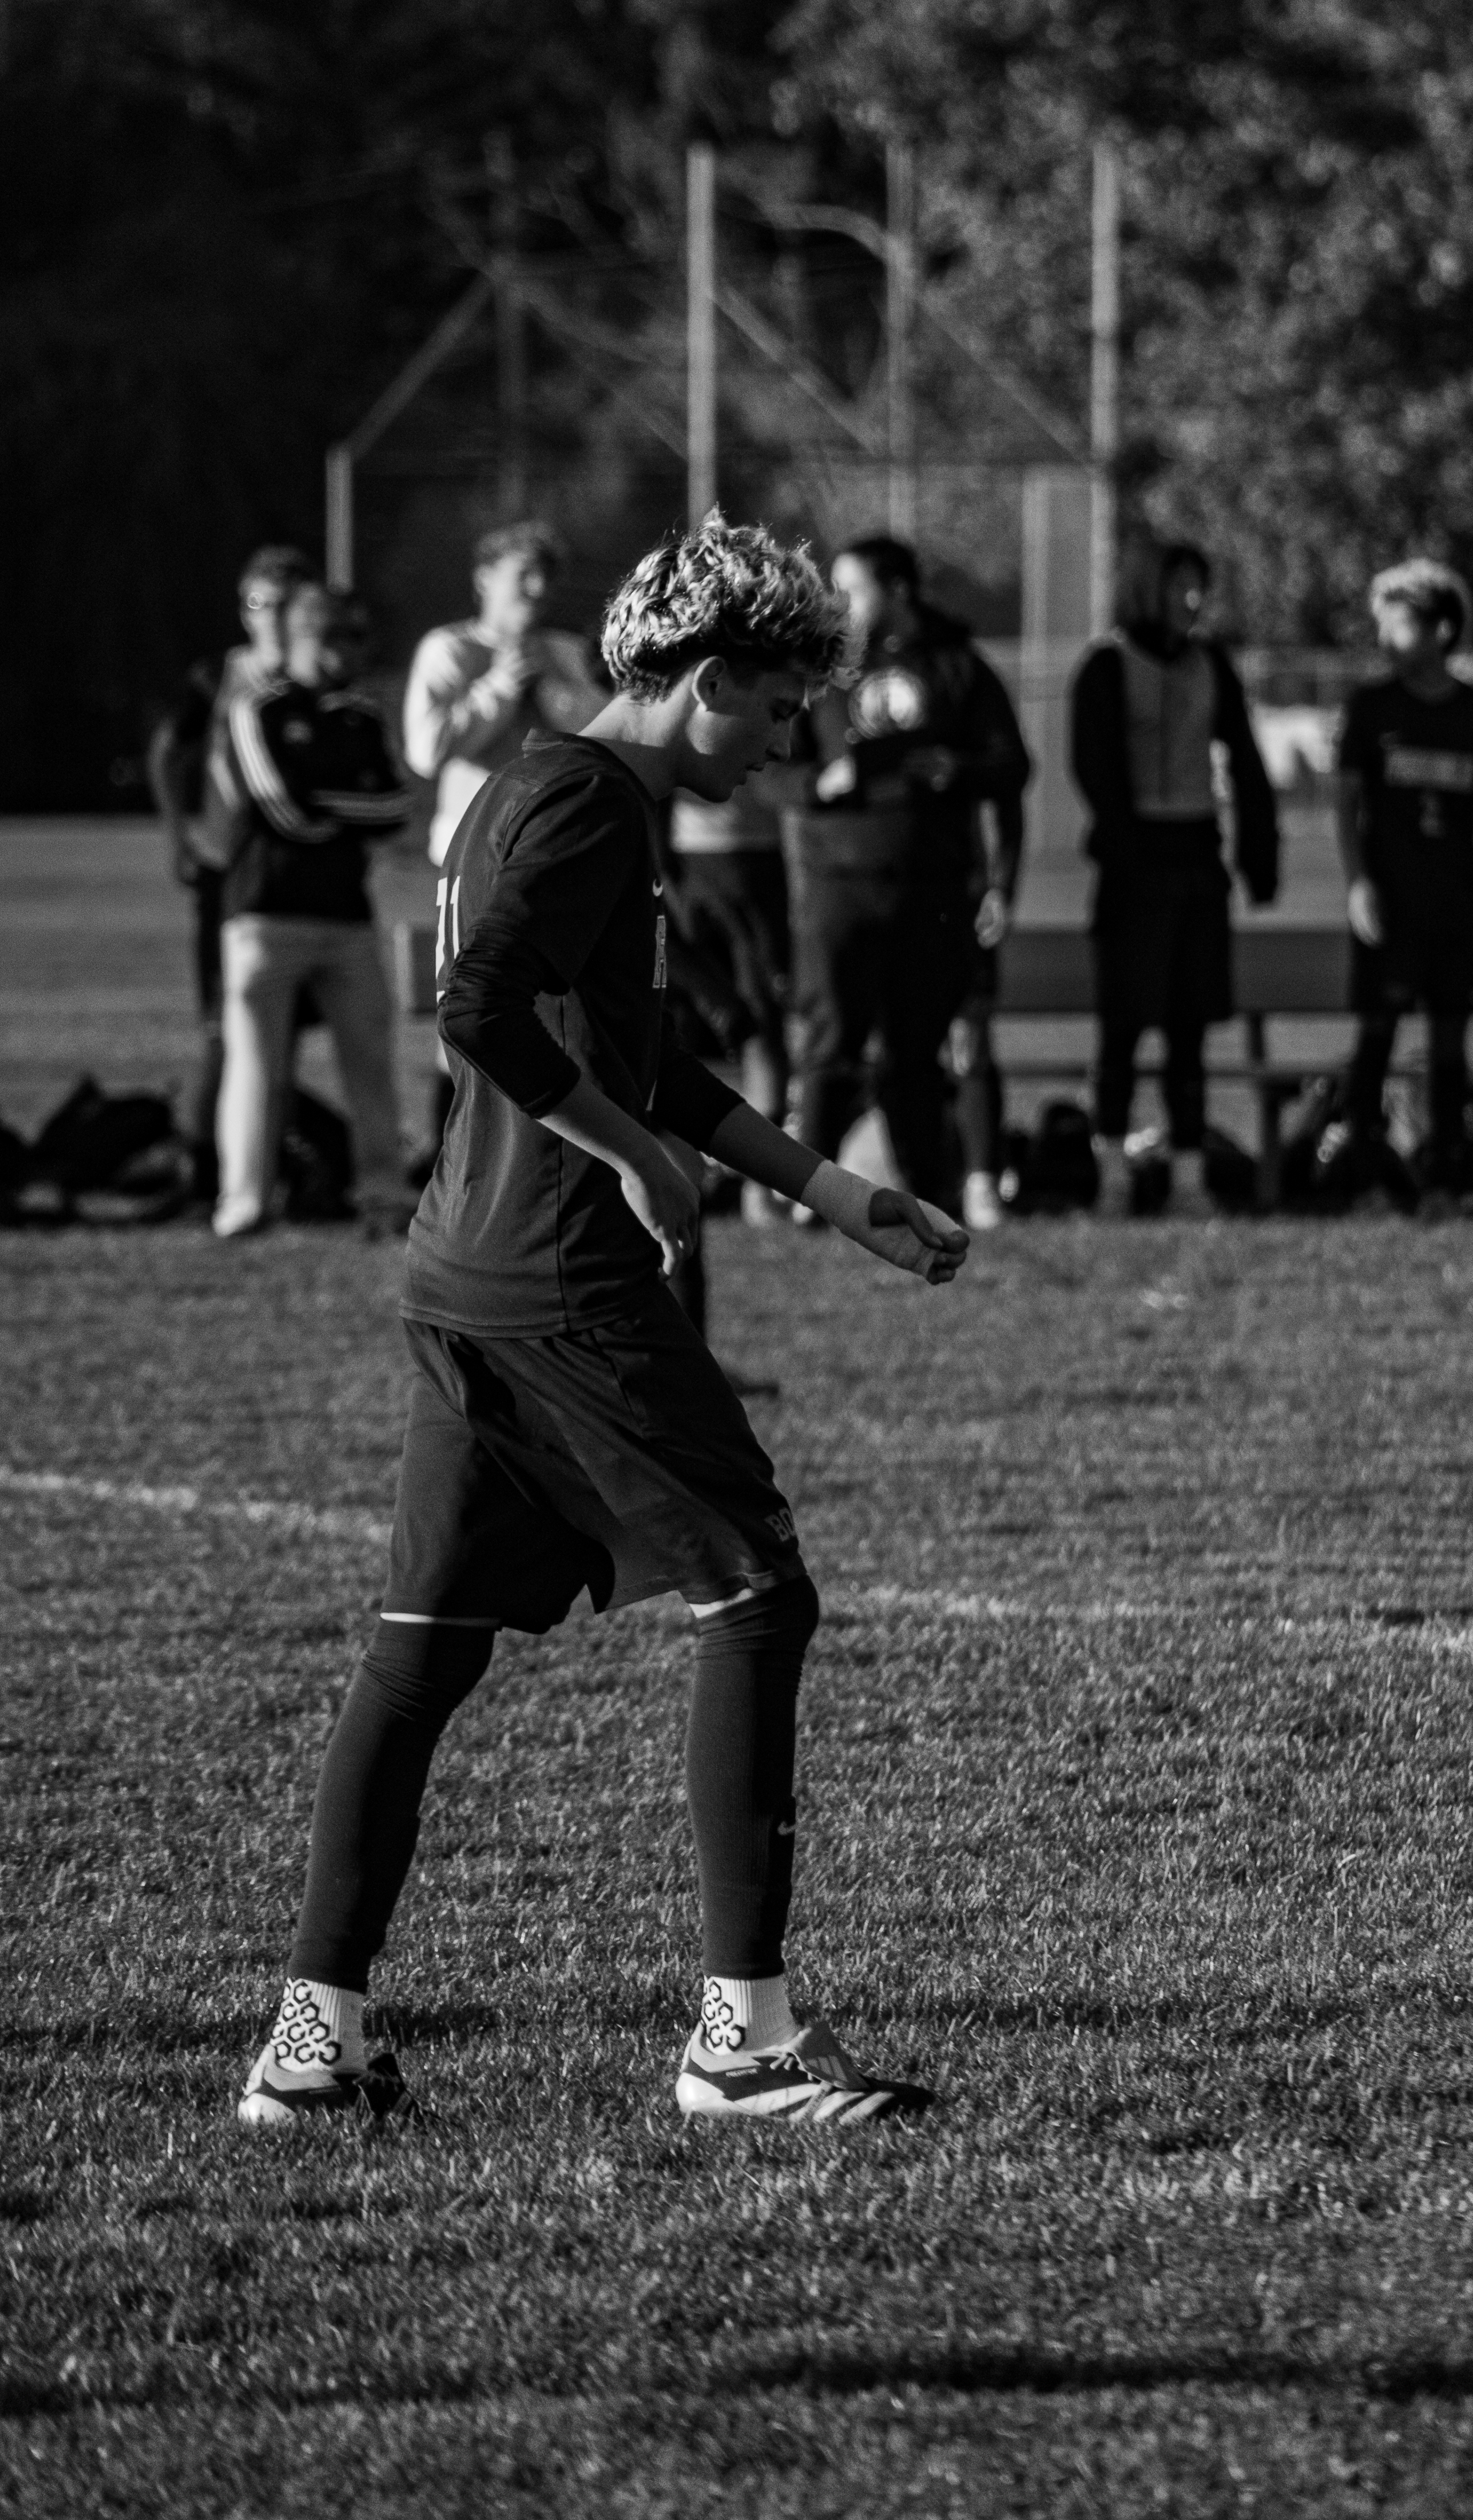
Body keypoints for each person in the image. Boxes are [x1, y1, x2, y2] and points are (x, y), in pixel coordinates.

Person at [237, 511, 969, 2134]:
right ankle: (744, 2042)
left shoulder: (557, 789)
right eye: (778, 708)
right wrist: (637, 1164)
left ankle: (314, 2041)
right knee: (758, 1596)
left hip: (466, 1274)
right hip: (562, 1280)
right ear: (709, 678)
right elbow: (477, 1009)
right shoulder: (584, 803)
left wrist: (825, 1186)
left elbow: (647, 1056)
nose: (792, 743)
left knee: (418, 1653)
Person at [785, 536, 1031, 1213]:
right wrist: (818, 783)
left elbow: (1012, 767)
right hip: (838, 885)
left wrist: (959, 770)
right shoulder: (820, 673)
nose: (839, 605)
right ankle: (808, 1189)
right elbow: (767, 773)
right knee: (829, 1045)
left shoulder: (957, 666)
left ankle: (934, 1190)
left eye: (853, 589)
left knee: (914, 1054)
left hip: (931, 890)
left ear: (897, 591)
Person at [1071, 534, 1279, 1216]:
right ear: (1144, 590)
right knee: (1121, 1029)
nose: (1191, 601)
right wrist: (1129, 851)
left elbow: (1245, 763)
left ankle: (1189, 1176)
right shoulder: (1105, 666)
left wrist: (1257, 855)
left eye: (1198, 587)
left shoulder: (1210, 664)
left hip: (1195, 860)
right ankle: (1110, 1174)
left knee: (1188, 1029)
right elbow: (1093, 767)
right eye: (1176, 587)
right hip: (1133, 867)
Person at [212, 583, 412, 1238]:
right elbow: (282, 809)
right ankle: (244, 1201)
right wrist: (342, 806)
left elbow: (395, 809)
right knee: (256, 1068)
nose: (354, 652)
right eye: (343, 638)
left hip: (347, 919)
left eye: (359, 638)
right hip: (265, 916)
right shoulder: (258, 708)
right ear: (306, 638)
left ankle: (383, 1196)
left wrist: (330, 806)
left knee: (371, 1068)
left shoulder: (362, 716)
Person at [403, 523, 605, 1156]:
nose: (538, 590)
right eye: (524, 576)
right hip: (469, 858)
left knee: (552, 1012)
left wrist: (548, 689)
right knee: (470, 1005)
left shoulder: (564, 651)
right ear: (484, 579)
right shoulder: (449, 650)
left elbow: (599, 736)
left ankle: (548, 1149)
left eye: (546, 578)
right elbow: (424, 749)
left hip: (554, 855)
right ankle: (452, 1151)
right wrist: (494, 690)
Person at [147, 545, 312, 1200]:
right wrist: (176, 831)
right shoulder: (222, 676)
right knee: (226, 1021)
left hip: (297, 879)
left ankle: (269, 1159)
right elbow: (169, 749)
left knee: (286, 1024)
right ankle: (199, 1159)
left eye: (285, 604)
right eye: (258, 604)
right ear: (243, 612)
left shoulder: (319, 674)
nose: (271, 618)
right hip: (227, 871)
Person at [1336, 558, 1473, 1198]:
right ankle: (1363, 1170)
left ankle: (1447, 1166)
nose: (1385, 641)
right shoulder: (1370, 708)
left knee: (1450, 1037)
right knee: (1377, 1031)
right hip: (1392, 905)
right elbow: (1346, 806)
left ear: (1440, 631)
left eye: (1397, 626)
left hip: (1456, 907)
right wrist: (1358, 882)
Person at [668, 782, 792, 1225]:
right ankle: (678, 1176)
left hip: (752, 851)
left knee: (758, 1024)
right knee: (678, 1027)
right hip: (682, 854)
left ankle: (760, 1187)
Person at [947, 791, 1025, 1229]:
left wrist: (1000, 885)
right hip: (887, 889)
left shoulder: (968, 745)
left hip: (960, 900)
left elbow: (1008, 788)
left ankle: (981, 1180)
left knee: (968, 1045)